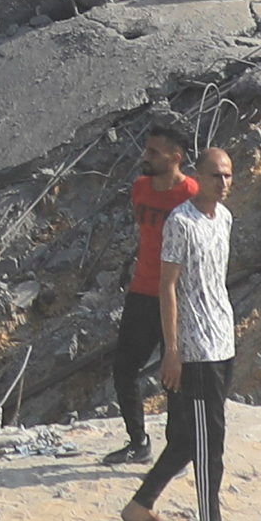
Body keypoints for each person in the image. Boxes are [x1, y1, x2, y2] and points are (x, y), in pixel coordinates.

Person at [118, 150, 239, 521]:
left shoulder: (223, 219)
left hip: (223, 341)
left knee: (189, 438)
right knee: (210, 443)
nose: (222, 183)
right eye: (214, 175)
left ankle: (140, 506)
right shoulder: (180, 222)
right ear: (197, 177)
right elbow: (167, 288)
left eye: (227, 175)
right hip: (195, 349)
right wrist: (172, 351)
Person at [105, 126, 188, 454]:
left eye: (154, 152)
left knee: (176, 375)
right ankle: (138, 442)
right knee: (124, 368)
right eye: (147, 149)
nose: (146, 156)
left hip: (179, 298)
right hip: (142, 292)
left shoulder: (192, 196)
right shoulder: (140, 189)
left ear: (175, 158)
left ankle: (176, 449)